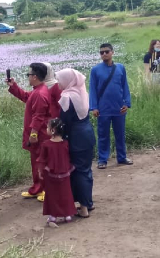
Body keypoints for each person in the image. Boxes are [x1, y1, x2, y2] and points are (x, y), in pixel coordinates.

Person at [7, 63, 52, 202]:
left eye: (28, 74)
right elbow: (26, 97)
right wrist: (13, 87)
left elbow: (38, 117)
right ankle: (38, 188)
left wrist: (33, 134)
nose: (28, 77)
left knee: (41, 162)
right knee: (35, 162)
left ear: (35, 76)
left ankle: (46, 189)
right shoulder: (37, 90)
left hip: (40, 135)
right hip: (36, 134)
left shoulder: (40, 93)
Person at [55, 68, 96, 217]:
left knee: (77, 172)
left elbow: (64, 122)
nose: (58, 83)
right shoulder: (82, 92)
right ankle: (88, 203)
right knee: (86, 170)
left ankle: (83, 208)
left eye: (59, 79)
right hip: (87, 134)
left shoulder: (67, 96)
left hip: (75, 138)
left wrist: (59, 138)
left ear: (67, 80)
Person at [89, 43, 133, 169]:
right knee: (103, 134)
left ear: (112, 52)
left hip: (119, 107)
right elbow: (92, 89)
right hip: (103, 108)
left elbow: (125, 86)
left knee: (120, 133)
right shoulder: (95, 70)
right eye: (101, 52)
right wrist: (94, 107)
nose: (104, 54)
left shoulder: (120, 68)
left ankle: (122, 157)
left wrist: (127, 103)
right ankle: (102, 159)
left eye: (106, 51)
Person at [37, 118, 77, 228]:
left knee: (52, 195)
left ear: (53, 130)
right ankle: (68, 214)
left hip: (51, 175)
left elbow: (42, 160)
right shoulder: (66, 143)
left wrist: (40, 171)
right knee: (66, 193)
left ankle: (53, 216)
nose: (46, 129)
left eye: (48, 127)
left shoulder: (46, 144)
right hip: (65, 173)